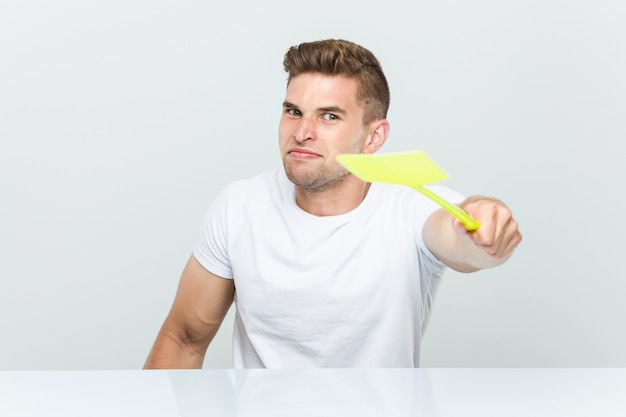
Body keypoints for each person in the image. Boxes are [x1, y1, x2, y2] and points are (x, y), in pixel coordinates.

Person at [144, 39, 522, 369]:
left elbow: (459, 239)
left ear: (374, 136)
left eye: (329, 116)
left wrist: (486, 226)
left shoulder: (407, 207)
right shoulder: (239, 206)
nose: (302, 132)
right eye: (293, 111)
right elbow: (184, 339)